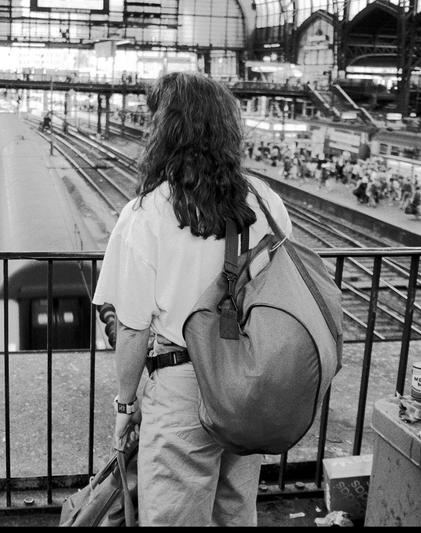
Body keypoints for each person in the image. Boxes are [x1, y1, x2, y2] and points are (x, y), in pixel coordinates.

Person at [92, 72, 292, 526]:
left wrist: (126, 405)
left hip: (182, 383)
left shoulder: (148, 214)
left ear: (166, 131)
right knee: (235, 509)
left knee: (175, 515)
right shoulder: (266, 201)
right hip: (248, 378)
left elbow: (132, 328)